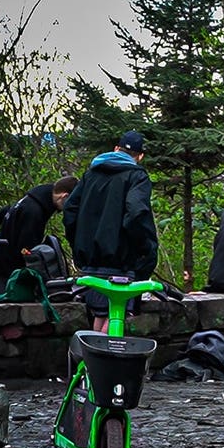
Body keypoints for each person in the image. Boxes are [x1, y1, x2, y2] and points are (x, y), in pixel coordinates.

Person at [63, 130, 158, 333]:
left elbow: (70, 210)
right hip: (120, 262)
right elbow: (136, 212)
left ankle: (88, 362)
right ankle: (99, 362)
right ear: (140, 156)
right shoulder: (137, 176)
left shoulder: (91, 174)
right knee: (117, 315)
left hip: (90, 260)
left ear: (116, 149)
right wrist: (144, 249)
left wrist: (78, 242)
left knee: (100, 314)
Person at [0, 176, 79, 294]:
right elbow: (27, 252)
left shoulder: (31, 200)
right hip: (5, 272)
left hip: (0, 262)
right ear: (65, 196)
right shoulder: (34, 212)